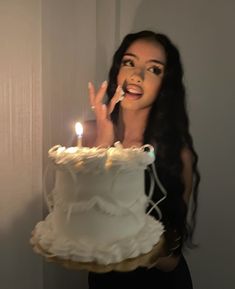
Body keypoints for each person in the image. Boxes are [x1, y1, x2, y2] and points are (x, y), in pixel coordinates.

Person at [85, 30, 200, 289]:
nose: (137, 76)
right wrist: (103, 146)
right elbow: (79, 227)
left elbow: (171, 259)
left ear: (164, 86)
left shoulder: (176, 154)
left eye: (154, 69)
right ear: (118, 71)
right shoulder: (87, 141)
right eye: (130, 62)